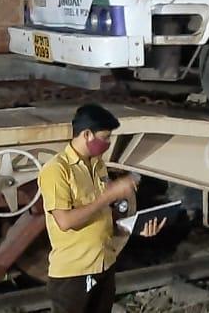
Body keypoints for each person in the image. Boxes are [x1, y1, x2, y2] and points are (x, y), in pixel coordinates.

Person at [39, 104, 167, 313]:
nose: (108, 143)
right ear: (87, 134)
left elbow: (101, 214)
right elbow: (65, 221)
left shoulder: (98, 165)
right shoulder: (56, 170)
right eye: (105, 137)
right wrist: (109, 195)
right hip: (74, 274)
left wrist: (133, 227)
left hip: (105, 265)